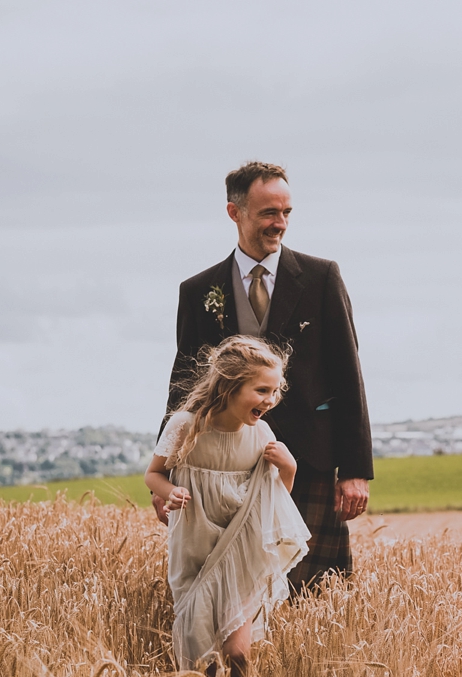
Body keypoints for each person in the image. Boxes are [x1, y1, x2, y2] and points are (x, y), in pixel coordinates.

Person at [156, 161, 373, 589]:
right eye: (269, 213)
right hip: (224, 463)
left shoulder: (320, 277)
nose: (280, 224)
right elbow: (185, 382)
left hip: (307, 458)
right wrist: (165, 475)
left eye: (286, 213)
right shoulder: (199, 291)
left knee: (312, 588)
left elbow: (349, 375)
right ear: (235, 213)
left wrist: (354, 468)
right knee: (232, 583)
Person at [146, 336, 311, 677]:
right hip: (195, 549)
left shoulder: (262, 436)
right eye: (262, 390)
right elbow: (152, 474)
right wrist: (168, 491)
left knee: (238, 654)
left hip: (242, 554)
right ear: (231, 385)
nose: (270, 400)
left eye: (275, 390)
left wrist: (291, 469)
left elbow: (272, 500)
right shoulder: (185, 427)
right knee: (200, 651)